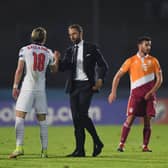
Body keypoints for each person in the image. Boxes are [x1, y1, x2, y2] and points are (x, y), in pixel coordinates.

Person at [58, 24, 108, 157]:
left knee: (82, 115)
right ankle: (80, 150)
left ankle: (97, 141)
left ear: (81, 33)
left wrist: (100, 80)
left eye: (74, 34)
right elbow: (64, 67)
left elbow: (103, 65)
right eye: (70, 35)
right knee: (76, 118)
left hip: (87, 85)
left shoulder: (91, 48)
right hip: (73, 86)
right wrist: (57, 60)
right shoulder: (70, 50)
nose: (72, 37)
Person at [9, 27, 59, 159]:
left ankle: (19, 147)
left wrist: (15, 86)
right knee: (42, 120)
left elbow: (19, 70)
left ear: (32, 37)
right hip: (40, 89)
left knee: (20, 117)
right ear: (44, 38)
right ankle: (44, 151)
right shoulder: (48, 52)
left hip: (27, 88)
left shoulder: (24, 50)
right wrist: (56, 58)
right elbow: (54, 71)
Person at [108, 36, 163, 152]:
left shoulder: (154, 61)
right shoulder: (131, 60)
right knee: (130, 119)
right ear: (139, 46)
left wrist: (151, 92)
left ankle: (145, 146)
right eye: (146, 45)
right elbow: (117, 76)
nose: (148, 47)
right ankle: (121, 145)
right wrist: (113, 91)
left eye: (149, 45)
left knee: (147, 121)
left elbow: (159, 79)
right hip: (135, 96)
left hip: (150, 96)